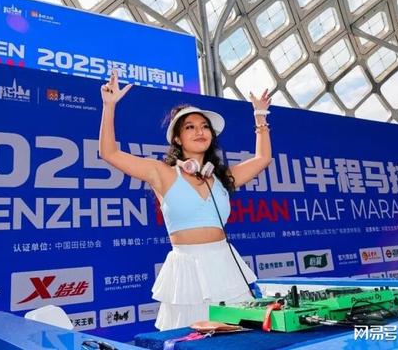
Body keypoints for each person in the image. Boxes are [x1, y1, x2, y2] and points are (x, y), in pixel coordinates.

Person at [99, 70, 272, 331]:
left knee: (240, 337)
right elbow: (109, 153)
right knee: (188, 339)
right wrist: (109, 105)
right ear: (177, 139)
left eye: (205, 127)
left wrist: (260, 116)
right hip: (186, 272)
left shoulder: (222, 176)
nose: (200, 131)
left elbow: (262, 158)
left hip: (225, 266)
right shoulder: (162, 173)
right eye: (190, 127)